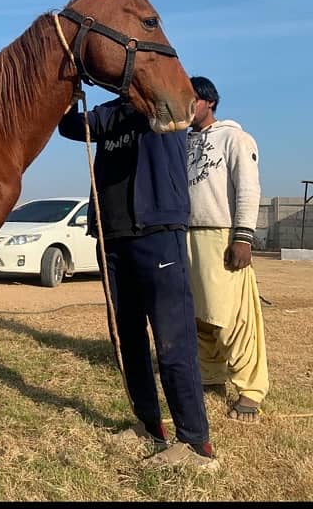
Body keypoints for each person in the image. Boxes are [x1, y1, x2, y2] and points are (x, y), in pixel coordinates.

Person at [59, 98, 218, 470]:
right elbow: (72, 128)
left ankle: (195, 443)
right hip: (112, 238)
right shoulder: (108, 112)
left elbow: (180, 111)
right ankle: (150, 425)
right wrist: (69, 93)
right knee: (127, 337)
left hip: (158, 233)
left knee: (172, 340)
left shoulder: (165, 97)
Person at [186, 76, 269, 424]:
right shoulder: (184, 141)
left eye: (192, 101)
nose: (187, 108)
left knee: (232, 317)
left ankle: (251, 390)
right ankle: (210, 376)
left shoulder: (236, 137)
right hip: (188, 234)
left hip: (222, 234)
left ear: (209, 102)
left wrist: (243, 237)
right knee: (200, 316)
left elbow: (249, 189)